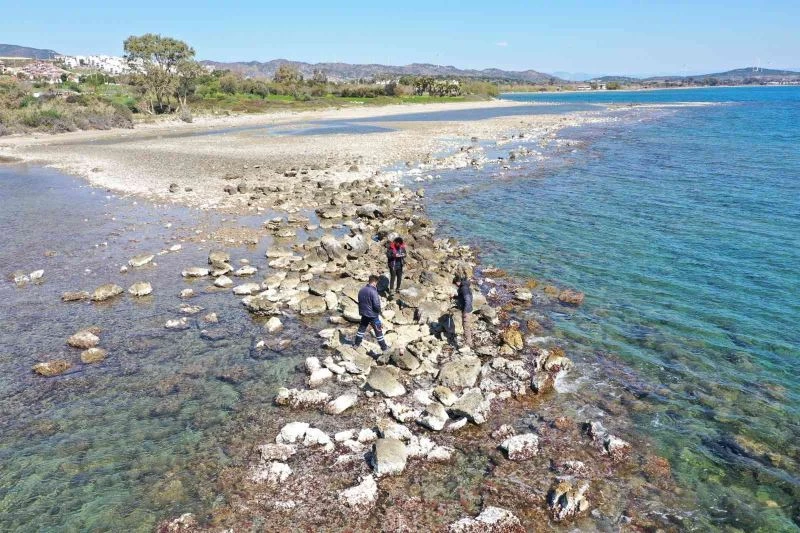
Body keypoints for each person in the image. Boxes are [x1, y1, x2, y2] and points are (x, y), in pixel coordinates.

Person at [354, 274, 388, 351]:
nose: (376, 285)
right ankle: (384, 348)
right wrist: (379, 312)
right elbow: (376, 305)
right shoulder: (374, 292)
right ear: (374, 282)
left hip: (364, 314)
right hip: (373, 315)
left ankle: (356, 344)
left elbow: (360, 301)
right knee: (378, 332)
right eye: (376, 283)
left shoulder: (362, 290)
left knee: (361, 330)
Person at [453, 274, 474, 348]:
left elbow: (468, 300)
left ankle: (469, 344)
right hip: (468, 309)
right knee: (467, 326)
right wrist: (454, 297)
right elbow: (463, 297)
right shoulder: (464, 286)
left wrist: (465, 312)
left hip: (467, 311)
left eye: (455, 284)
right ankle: (469, 341)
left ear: (458, 282)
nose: (456, 286)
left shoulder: (463, 288)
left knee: (466, 327)